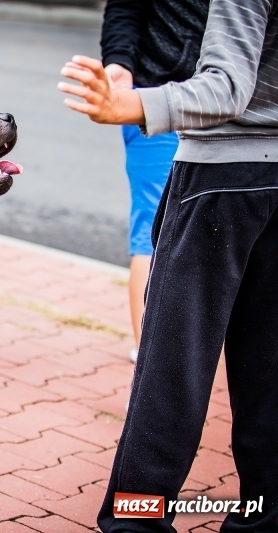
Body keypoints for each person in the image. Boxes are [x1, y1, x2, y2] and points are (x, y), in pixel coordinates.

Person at [59, 0, 278, 530]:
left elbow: (227, 88)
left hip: (221, 177)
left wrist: (131, 105)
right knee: (268, 369)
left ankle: (136, 523)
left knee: (173, 371)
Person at [100, 0, 208, 365]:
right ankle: (150, 366)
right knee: (155, 231)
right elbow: (125, 8)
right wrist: (118, 62)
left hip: (238, 108)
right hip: (155, 98)